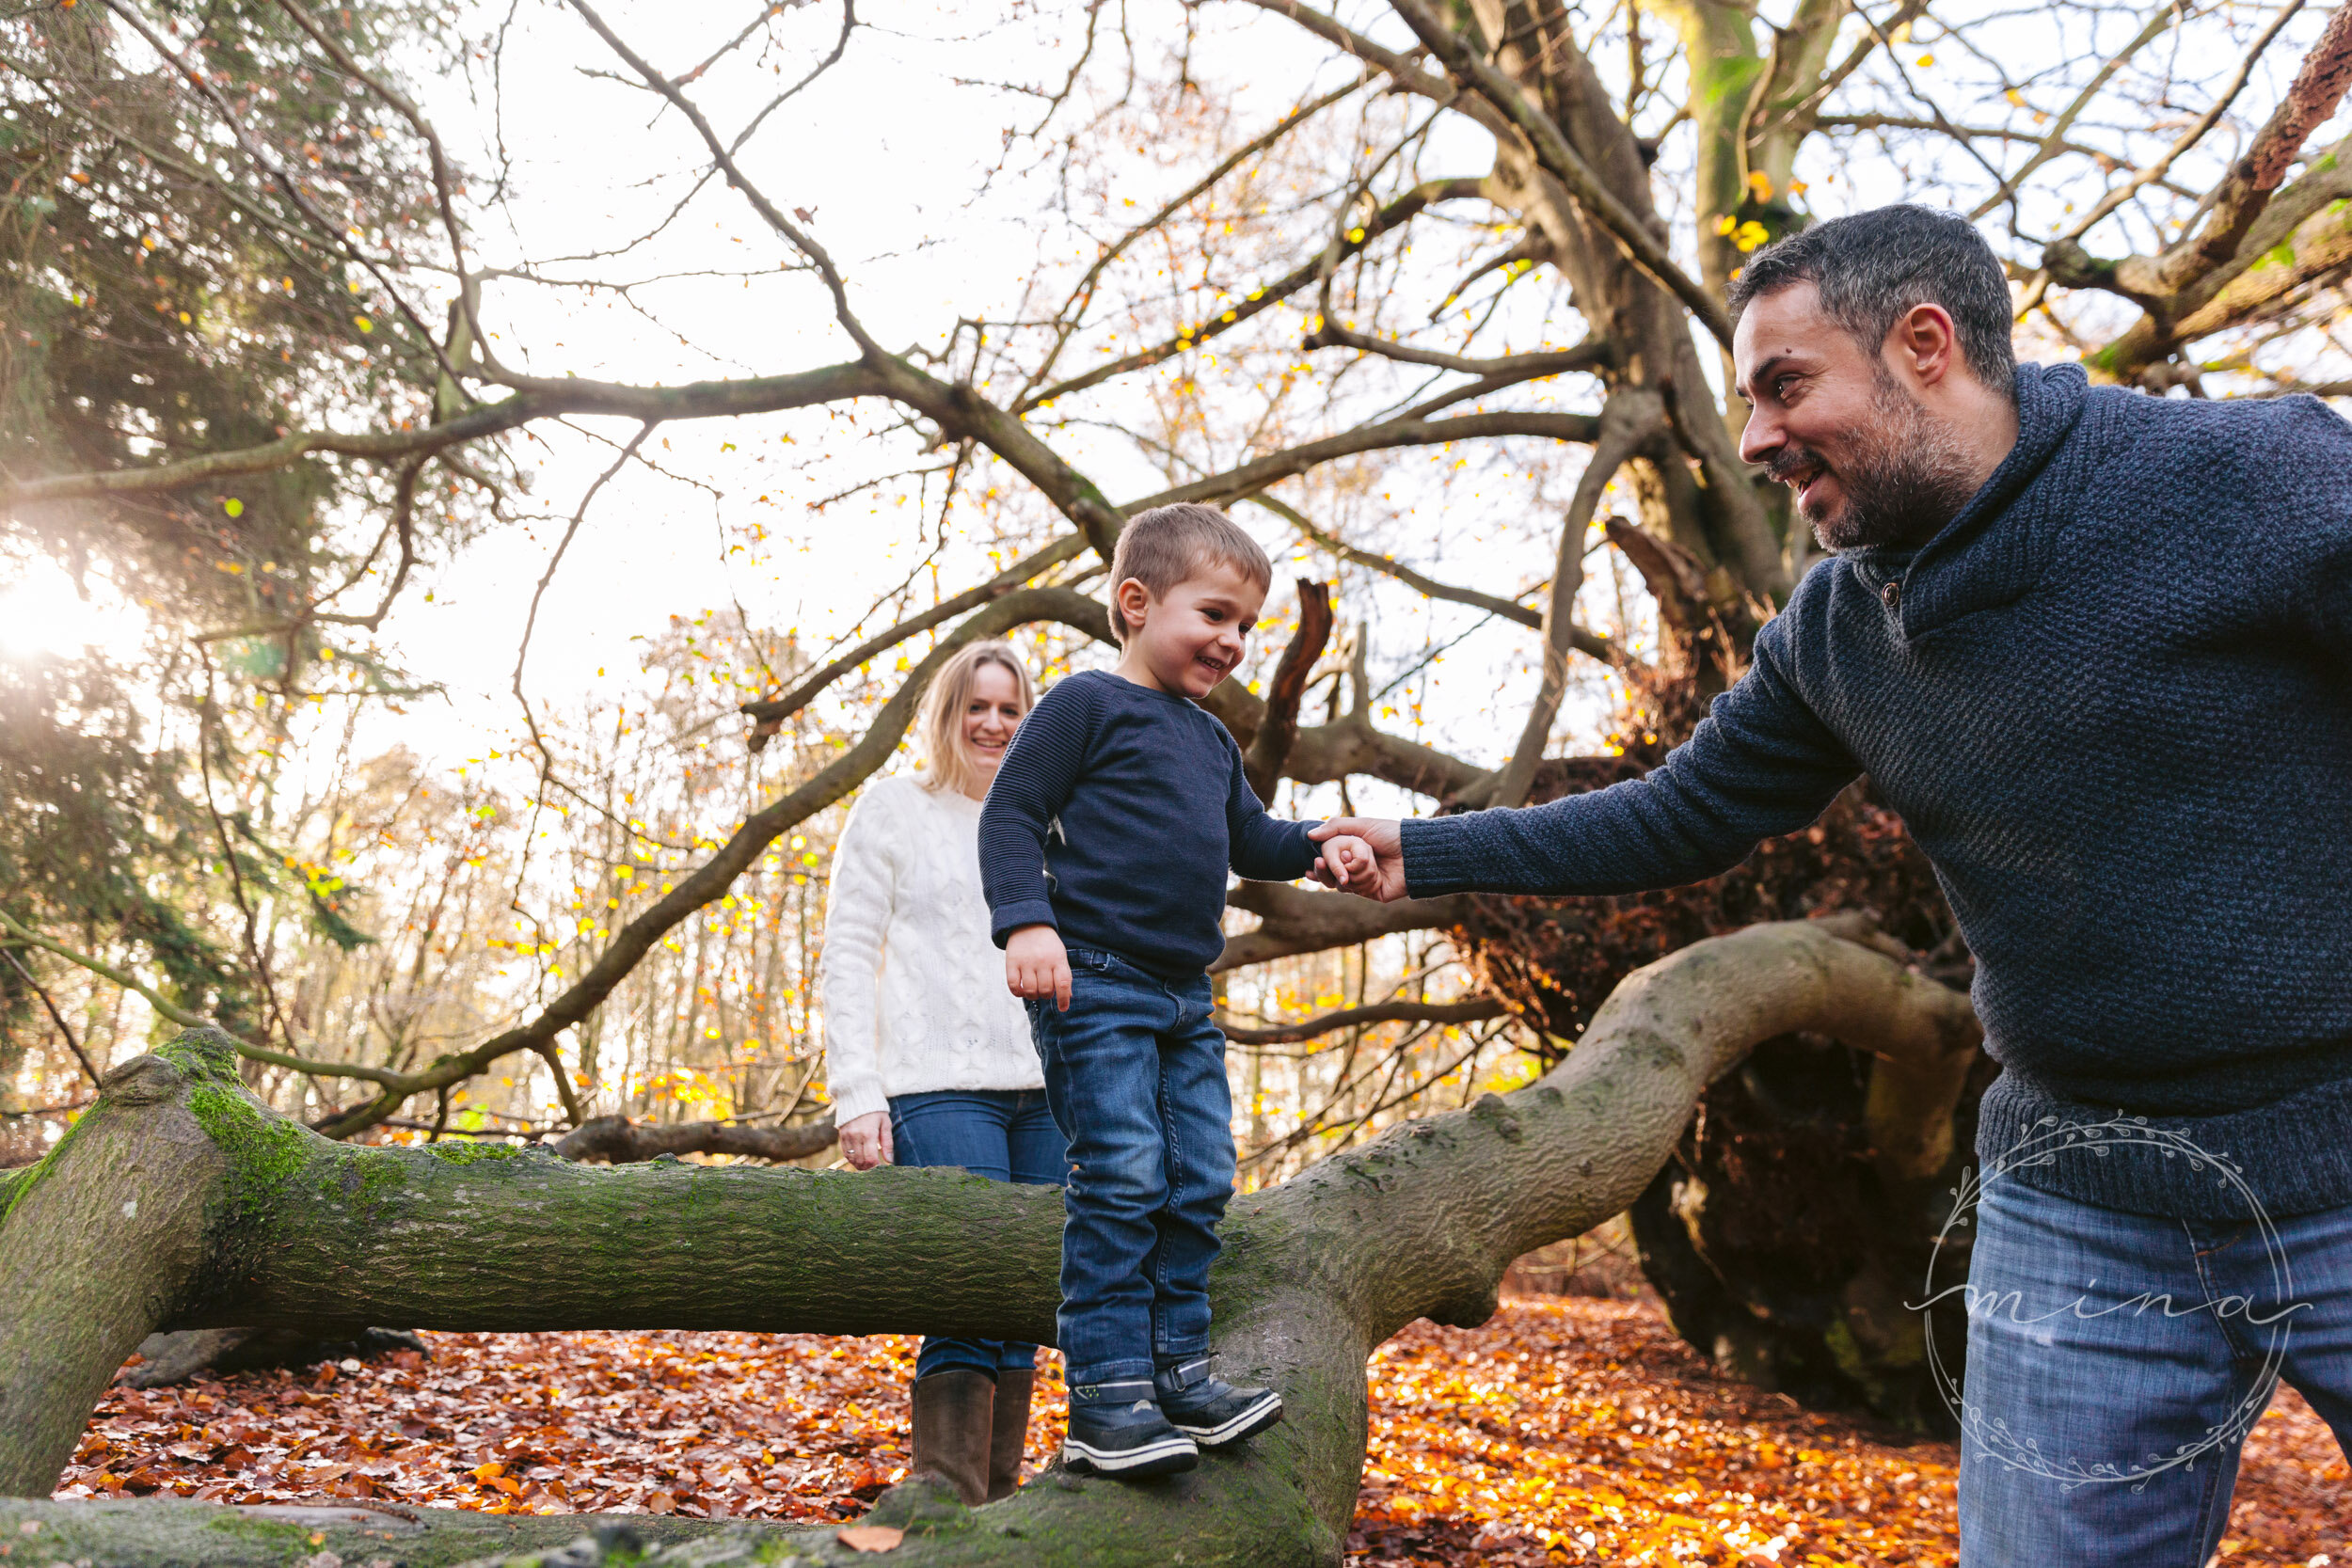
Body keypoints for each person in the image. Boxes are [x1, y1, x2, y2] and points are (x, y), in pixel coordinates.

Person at [1308, 204, 2352, 1566]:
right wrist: (1429, 849)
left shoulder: (2250, 480)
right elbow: (1682, 813)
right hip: (2083, 1199)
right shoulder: (1840, 627)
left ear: (1924, 346)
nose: (1750, 439)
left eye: (1784, 386)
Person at [977, 502, 1375, 1478]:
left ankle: (1178, 1373)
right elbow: (1010, 816)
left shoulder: (1206, 741)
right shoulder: (1080, 705)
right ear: (1134, 601)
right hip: (1096, 983)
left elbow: (1258, 840)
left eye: (1246, 625)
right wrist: (1027, 923)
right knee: (1121, 1173)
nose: (1233, 641)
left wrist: (1326, 843)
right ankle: (1108, 1395)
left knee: (1198, 1177)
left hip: (1182, 997)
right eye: (1215, 615)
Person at [818, 639, 1063, 1507]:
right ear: (947, 713)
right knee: (966, 1296)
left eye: (1011, 709)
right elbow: (848, 951)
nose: (994, 724)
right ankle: (948, 1517)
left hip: (1046, 1091)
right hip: (935, 1083)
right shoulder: (893, 808)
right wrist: (856, 1090)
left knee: (1021, 1308)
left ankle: (994, 1519)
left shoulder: (1049, 822)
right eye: (978, 706)